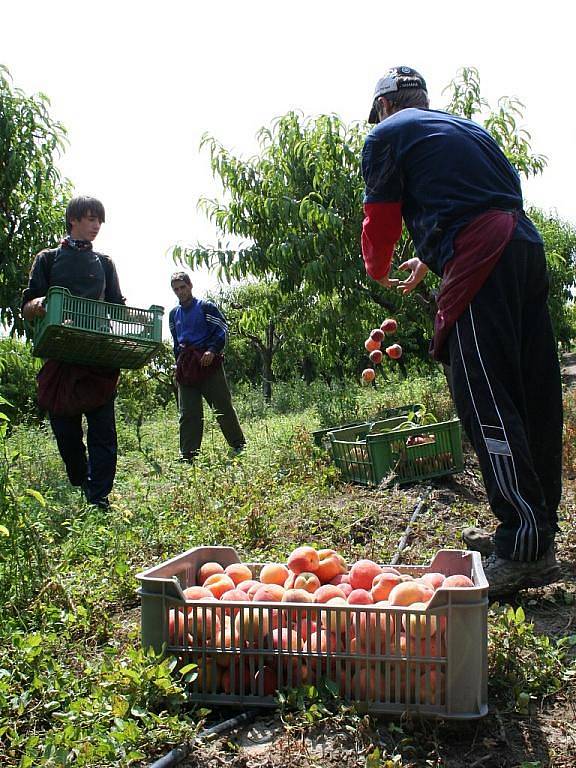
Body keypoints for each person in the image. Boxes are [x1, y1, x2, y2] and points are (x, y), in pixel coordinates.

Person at [360, 66, 563, 598]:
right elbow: (484, 201)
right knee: (530, 392)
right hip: (523, 245)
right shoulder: (466, 130)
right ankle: (537, 531)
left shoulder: (384, 135)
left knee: (484, 395)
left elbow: (380, 222)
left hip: (481, 258)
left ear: (383, 107)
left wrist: (377, 268)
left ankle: (523, 541)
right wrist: (430, 257)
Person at [22, 195, 125, 509]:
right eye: (90, 219)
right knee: (66, 435)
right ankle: (82, 481)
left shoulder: (104, 264)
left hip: (97, 359)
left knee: (103, 433)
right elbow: (27, 305)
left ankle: (99, 497)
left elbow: (117, 307)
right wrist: (38, 305)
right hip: (62, 358)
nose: (96, 226)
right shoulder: (49, 259)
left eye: (99, 220)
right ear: (73, 220)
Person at [169, 271, 245, 461]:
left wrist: (212, 350)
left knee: (222, 406)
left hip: (208, 363)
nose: (180, 292)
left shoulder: (206, 307)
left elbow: (221, 329)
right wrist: (177, 365)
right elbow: (176, 344)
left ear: (190, 286)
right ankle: (188, 454)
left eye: (183, 287)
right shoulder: (174, 315)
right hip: (187, 366)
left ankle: (238, 444)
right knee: (188, 413)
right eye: (176, 289)